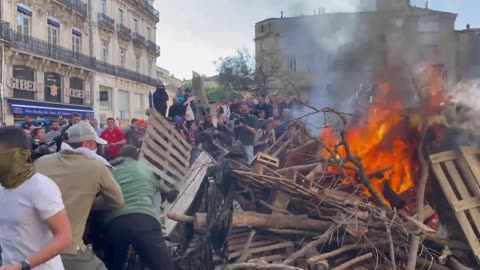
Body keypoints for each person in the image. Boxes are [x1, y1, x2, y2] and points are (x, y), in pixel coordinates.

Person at [35, 122, 124, 270]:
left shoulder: (41, 162)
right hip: (68, 250)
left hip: (34, 248)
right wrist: (88, 202)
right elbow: (117, 201)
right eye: (96, 144)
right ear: (87, 144)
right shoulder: (96, 167)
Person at [0, 126, 72, 270]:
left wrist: (24, 265)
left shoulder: (41, 187)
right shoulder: (2, 187)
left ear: (18, 155)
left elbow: (65, 237)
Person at [102, 145, 174, 270]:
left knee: (114, 266)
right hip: (146, 220)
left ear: (120, 156)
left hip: (115, 223)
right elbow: (167, 191)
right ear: (136, 157)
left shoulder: (108, 169)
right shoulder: (145, 168)